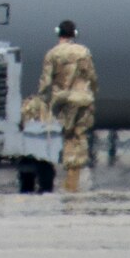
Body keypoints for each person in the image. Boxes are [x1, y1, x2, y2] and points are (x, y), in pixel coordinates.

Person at [38, 19, 97, 192]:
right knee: (78, 139)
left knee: (63, 138)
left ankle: (64, 183)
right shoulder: (83, 52)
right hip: (83, 99)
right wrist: (92, 92)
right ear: (74, 34)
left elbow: (46, 81)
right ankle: (73, 182)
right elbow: (92, 76)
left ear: (58, 33)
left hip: (63, 101)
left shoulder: (52, 54)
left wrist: (43, 100)